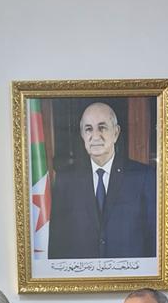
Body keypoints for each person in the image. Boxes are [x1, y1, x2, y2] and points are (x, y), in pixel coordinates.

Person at [47, 102, 156, 260]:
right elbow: (57, 243)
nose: (95, 136)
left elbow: (153, 240)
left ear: (116, 133)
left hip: (127, 273)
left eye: (102, 127)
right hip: (82, 274)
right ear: (82, 135)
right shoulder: (66, 180)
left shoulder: (143, 177)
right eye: (88, 129)